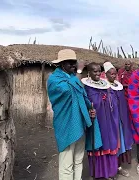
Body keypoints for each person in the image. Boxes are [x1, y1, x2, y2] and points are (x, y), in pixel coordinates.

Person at [47, 49, 102, 180]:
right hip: (66, 125)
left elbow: (82, 97)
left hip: (79, 124)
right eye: (70, 63)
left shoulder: (72, 77)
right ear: (62, 64)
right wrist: (78, 72)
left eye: (74, 63)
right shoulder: (54, 79)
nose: (73, 65)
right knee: (67, 163)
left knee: (78, 160)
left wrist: (90, 110)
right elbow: (67, 90)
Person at [82, 63, 120, 179]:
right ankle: (100, 174)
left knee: (109, 143)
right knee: (99, 144)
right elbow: (86, 103)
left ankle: (109, 171)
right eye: (95, 71)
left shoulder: (106, 85)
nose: (98, 73)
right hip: (97, 122)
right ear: (89, 72)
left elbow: (113, 100)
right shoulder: (87, 88)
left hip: (108, 120)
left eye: (99, 71)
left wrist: (107, 99)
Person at [104, 62, 134, 177]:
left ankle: (118, 166)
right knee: (112, 143)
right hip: (110, 121)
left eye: (115, 73)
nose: (113, 76)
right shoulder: (104, 86)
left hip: (120, 120)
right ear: (106, 74)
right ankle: (110, 168)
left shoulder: (118, 85)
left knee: (120, 143)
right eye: (110, 74)